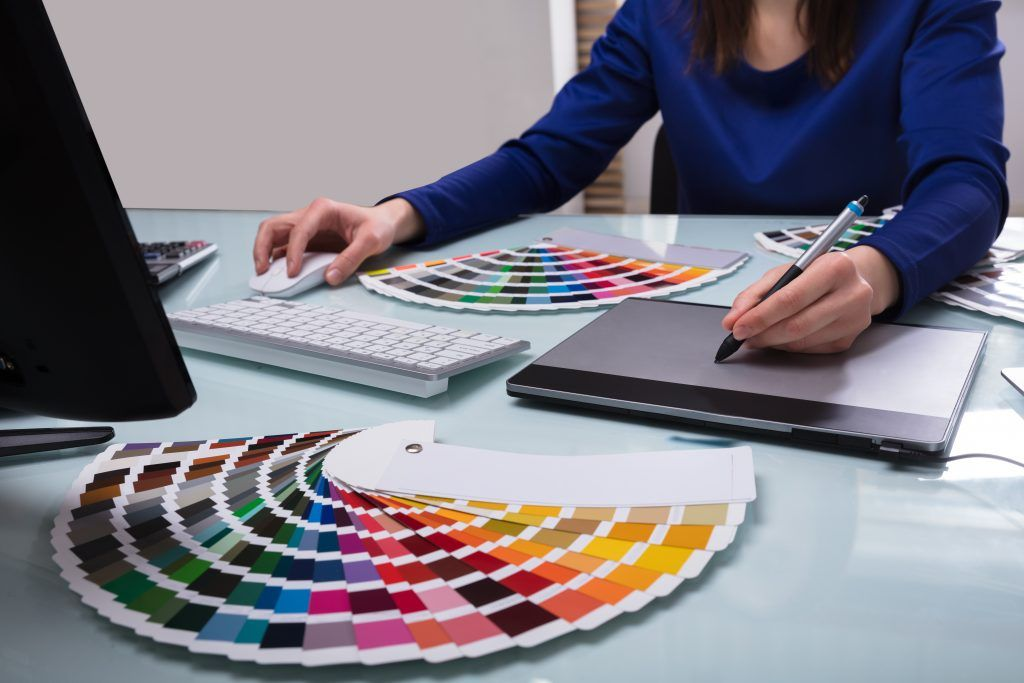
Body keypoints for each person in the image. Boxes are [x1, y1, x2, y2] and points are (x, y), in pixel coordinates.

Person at [252, 0, 1007, 354]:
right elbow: (548, 157)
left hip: (860, 315)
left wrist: (874, 274)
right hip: (705, 316)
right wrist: (396, 215)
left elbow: (966, 180)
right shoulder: (659, 11)